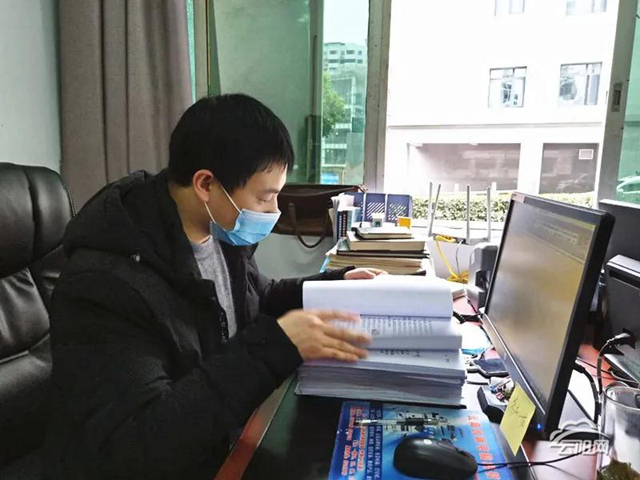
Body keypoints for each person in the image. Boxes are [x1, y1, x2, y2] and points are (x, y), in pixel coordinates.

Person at [42, 94, 385, 479]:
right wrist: (274, 347)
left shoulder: (220, 230)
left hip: (223, 436)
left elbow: (256, 297)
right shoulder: (105, 283)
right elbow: (141, 445)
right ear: (206, 184)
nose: (273, 211)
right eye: (264, 197)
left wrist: (334, 286)